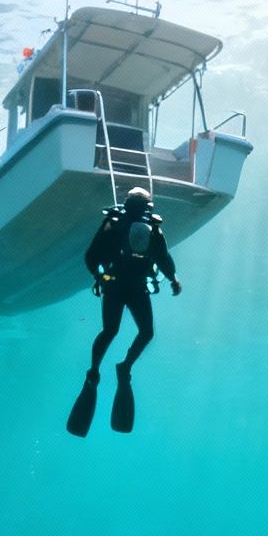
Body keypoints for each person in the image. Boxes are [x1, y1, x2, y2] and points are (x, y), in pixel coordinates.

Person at [67, 186, 181, 435]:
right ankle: (125, 366)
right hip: (137, 289)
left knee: (110, 330)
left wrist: (100, 278)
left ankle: (94, 371)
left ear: (127, 203)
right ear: (149, 205)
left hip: (116, 287)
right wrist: (173, 279)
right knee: (146, 332)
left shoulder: (115, 223)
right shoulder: (152, 227)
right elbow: (163, 258)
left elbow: (91, 256)